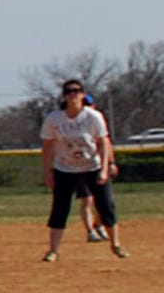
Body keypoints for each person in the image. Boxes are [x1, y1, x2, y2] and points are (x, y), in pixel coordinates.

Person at [39, 78, 127, 262]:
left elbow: (103, 142)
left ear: (82, 95)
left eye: (77, 91)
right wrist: (47, 171)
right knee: (60, 208)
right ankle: (53, 250)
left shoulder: (93, 116)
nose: (73, 95)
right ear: (64, 96)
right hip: (65, 168)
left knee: (106, 206)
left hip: (92, 166)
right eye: (69, 91)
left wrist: (104, 168)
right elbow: (47, 145)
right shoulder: (54, 119)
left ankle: (115, 244)